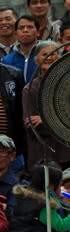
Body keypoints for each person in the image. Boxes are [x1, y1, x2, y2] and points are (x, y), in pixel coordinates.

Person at [23, 39, 70, 167]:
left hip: (67, 150)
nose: (50, 57)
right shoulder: (30, 88)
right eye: (45, 54)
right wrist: (58, 121)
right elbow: (30, 123)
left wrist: (45, 119)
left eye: (54, 54)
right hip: (43, 152)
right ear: (36, 59)